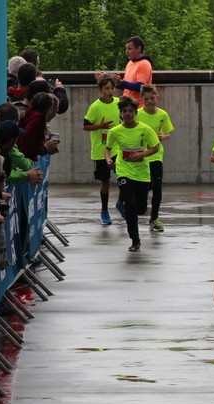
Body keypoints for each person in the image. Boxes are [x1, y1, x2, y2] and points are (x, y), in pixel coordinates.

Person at [104, 96, 160, 252]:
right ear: (120, 114)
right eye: (124, 111)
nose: (127, 114)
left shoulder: (145, 129)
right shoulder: (115, 131)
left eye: (130, 111)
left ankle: (128, 210)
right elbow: (108, 148)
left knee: (141, 208)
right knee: (131, 205)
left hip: (141, 173)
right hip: (124, 171)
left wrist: (142, 155)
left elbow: (156, 147)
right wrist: (109, 160)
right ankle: (135, 240)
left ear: (135, 112)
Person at [136, 85, 174, 233]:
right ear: (142, 100)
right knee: (145, 185)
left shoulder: (162, 115)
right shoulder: (138, 114)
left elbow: (168, 133)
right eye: (146, 99)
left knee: (157, 187)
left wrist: (162, 137)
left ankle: (154, 218)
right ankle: (141, 204)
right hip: (141, 155)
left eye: (152, 98)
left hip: (156, 154)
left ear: (157, 97)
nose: (150, 101)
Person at [84, 75, 119, 225]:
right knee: (106, 182)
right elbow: (86, 126)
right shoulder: (95, 107)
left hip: (118, 147)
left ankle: (121, 203)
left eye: (112, 88)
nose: (110, 91)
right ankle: (104, 211)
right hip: (101, 149)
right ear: (100, 90)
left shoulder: (119, 103)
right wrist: (100, 126)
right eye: (106, 89)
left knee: (125, 178)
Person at [113, 36, 153, 101]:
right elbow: (126, 86)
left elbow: (140, 87)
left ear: (138, 49)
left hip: (138, 105)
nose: (126, 52)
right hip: (127, 104)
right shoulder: (130, 63)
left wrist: (122, 82)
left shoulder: (144, 64)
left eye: (129, 49)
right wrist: (112, 80)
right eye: (126, 49)